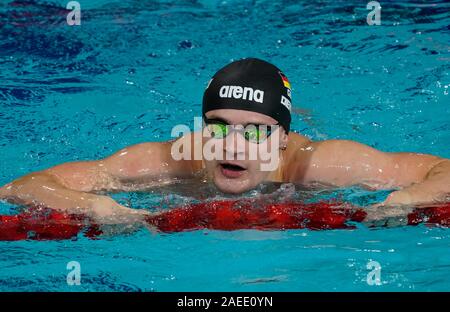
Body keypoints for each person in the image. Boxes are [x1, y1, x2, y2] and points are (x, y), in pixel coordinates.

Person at [0, 58, 449, 224]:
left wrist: (407, 198)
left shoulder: (321, 164)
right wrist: (96, 206)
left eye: (255, 131)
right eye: (218, 126)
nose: (232, 146)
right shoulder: (171, 160)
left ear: (283, 137)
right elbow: (21, 186)